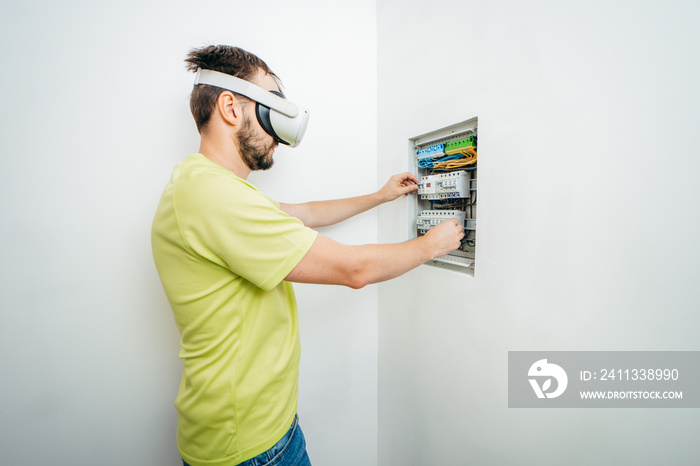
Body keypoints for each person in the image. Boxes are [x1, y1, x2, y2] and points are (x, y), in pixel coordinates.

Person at [151, 45, 463, 466]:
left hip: (251, 434)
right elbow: (354, 270)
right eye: (272, 105)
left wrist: (380, 196)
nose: (280, 133)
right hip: (250, 448)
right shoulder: (212, 196)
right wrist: (433, 244)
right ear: (230, 107)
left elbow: (304, 215)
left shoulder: (203, 187)